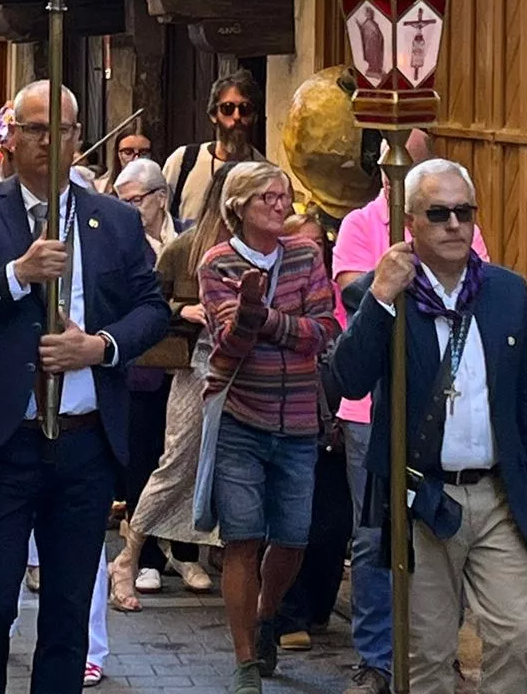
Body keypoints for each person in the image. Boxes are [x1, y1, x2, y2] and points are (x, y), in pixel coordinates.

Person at [0, 81, 168, 694]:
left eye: (59, 130)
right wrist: (16, 275)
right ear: (10, 137)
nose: (46, 141)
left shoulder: (114, 220)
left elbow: (152, 310)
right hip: (3, 442)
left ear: (77, 137)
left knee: (67, 610)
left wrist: (99, 347)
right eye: (33, 129)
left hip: (84, 445)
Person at [331, 159, 527, 694]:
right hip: (424, 500)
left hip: (497, 495)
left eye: (465, 212)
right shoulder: (386, 292)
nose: (455, 225)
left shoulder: (506, 292)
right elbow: (347, 378)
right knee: (428, 652)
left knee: (515, 634)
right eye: (439, 214)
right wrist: (380, 297)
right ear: (411, 222)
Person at [328, 153, 483, 694]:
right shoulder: (360, 224)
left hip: (441, 411)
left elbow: (471, 289)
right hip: (373, 414)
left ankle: (438, 651)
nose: (452, 222)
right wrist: (387, 281)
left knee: (444, 534)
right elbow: (353, 295)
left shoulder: (457, 222)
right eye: (403, 160)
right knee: (377, 538)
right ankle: (377, 658)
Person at [195, 163, 339, 693]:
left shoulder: (305, 256)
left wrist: (264, 317)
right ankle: (245, 660)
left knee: (294, 538)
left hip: (299, 420)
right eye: (268, 198)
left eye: (285, 196)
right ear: (239, 206)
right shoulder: (217, 263)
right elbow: (229, 344)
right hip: (242, 419)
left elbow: (323, 331)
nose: (281, 206)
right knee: (242, 539)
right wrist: (248, 316)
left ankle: (264, 614)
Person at [108, 163, 231, 608]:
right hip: (187, 365)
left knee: (228, 469)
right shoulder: (184, 248)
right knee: (173, 461)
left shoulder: (269, 249)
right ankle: (134, 554)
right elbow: (148, 307)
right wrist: (183, 310)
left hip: (249, 371)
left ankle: (196, 554)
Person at [164, 72, 263, 228]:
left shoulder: (264, 172)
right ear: (213, 115)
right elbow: (160, 220)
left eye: (245, 109)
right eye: (228, 108)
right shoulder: (183, 161)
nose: (237, 116)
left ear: (254, 117)